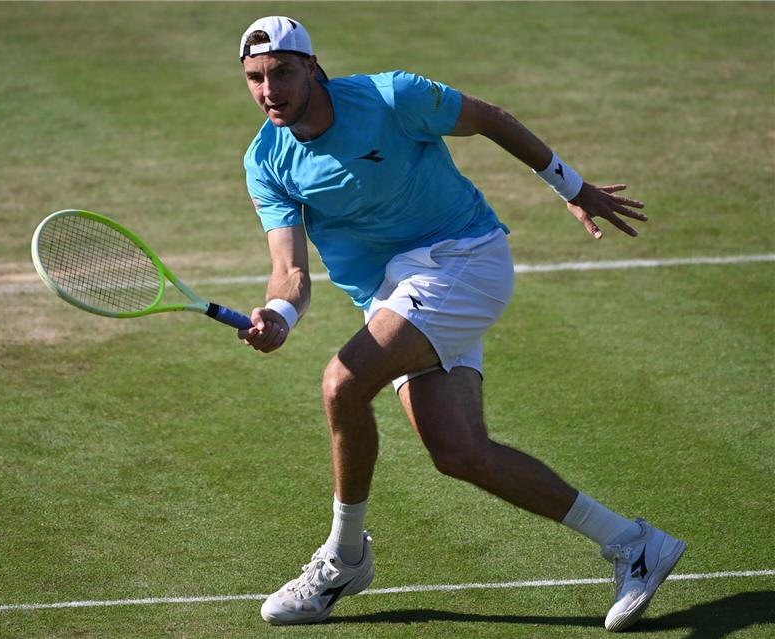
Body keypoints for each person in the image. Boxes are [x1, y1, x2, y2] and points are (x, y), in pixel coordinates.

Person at [236, 16, 686, 632]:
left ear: (313, 67)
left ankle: (343, 557)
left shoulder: (393, 97)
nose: (270, 90)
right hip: (394, 293)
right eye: (256, 79)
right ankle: (634, 544)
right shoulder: (266, 160)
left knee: (343, 382)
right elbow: (290, 273)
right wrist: (279, 314)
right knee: (460, 452)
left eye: (282, 72)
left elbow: (491, 118)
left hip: (462, 260)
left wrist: (572, 186)